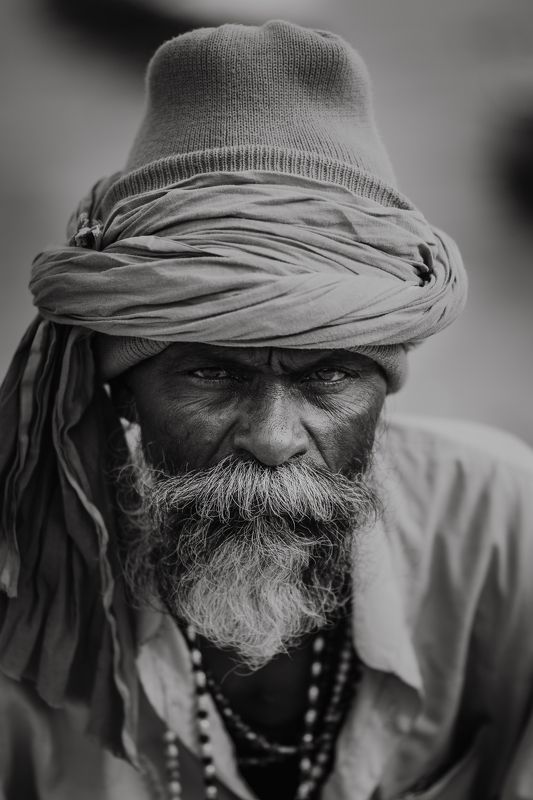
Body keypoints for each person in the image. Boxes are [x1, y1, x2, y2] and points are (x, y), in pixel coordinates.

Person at [0, 19, 532, 800]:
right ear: (122, 392)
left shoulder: (503, 524)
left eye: (328, 377)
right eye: (211, 373)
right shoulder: (24, 579)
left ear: (385, 389)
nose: (274, 439)